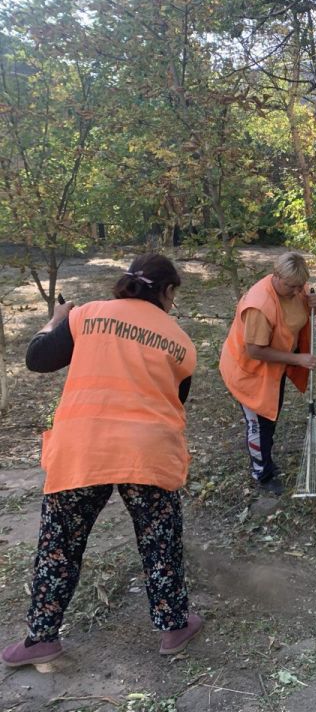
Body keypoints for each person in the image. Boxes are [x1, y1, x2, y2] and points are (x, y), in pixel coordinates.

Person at [2, 254, 202, 668]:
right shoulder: (180, 340)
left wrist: (56, 320)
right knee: (159, 541)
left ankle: (41, 638)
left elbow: (37, 359)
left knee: (59, 546)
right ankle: (174, 627)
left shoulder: (87, 315)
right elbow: (176, 399)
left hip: (83, 449)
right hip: (148, 452)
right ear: (167, 292)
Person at [219, 252, 316, 495]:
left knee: (271, 416)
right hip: (248, 370)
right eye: (292, 286)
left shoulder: (295, 284)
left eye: (301, 286)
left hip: (274, 368)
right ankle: (262, 473)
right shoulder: (259, 305)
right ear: (275, 276)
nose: (298, 291)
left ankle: (267, 460)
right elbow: (254, 350)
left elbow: (305, 312)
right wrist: (297, 358)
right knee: (259, 423)